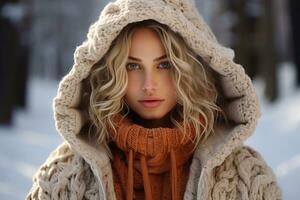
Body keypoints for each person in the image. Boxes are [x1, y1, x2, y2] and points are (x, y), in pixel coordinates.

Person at [26, 0, 282, 199]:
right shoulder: (62, 177)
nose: (149, 85)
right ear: (108, 74)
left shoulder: (247, 176)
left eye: (165, 65)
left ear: (192, 68)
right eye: (132, 66)